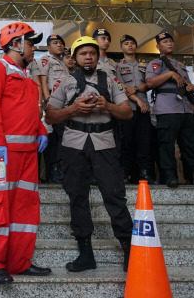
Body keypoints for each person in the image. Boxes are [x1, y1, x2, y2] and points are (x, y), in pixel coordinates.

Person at [46, 36, 133, 273]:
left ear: (97, 57)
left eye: (92, 53)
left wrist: (108, 106)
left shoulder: (111, 80)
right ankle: (86, 254)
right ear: (74, 58)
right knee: (77, 197)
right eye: (83, 53)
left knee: (114, 195)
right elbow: (50, 116)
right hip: (73, 144)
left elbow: (127, 113)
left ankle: (129, 251)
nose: (88, 57)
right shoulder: (64, 82)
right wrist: (73, 109)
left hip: (104, 143)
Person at [0, 22, 50, 284]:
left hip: (27, 153)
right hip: (1, 153)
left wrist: (41, 129)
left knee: (25, 209)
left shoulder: (26, 77)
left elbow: (30, 110)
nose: (34, 48)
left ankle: (20, 262)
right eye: (31, 43)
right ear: (15, 44)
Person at [145, 32, 194, 188]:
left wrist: (190, 87)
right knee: (167, 144)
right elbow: (150, 82)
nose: (169, 44)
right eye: (165, 42)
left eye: (171, 41)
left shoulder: (181, 65)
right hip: (167, 108)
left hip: (185, 109)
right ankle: (169, 176)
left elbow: (186, 86)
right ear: (158, 46)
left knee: (192, 144)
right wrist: (170, 74)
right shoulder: (156, 63)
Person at [114, 34, 154, 184]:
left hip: (144, 109)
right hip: (127, 109)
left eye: (132, 43)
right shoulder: (117, 66)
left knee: (144, 142)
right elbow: (119, 85)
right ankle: (125, 173)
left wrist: (136, 88)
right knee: (126, 143)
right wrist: (137, 99)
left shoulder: (145, 65)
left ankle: (144, 173)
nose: (130, 45)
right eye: (126, 43)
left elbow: (149, 84)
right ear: (121, 47)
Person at [38, 34, 69, 184]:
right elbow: (42, 80)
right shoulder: (46, 60)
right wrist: (47, 100)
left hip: (64, 104)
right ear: (48, 47)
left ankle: (58, 170)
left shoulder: (63, 64)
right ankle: (53, 171)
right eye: (55, 43)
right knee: (53, 139)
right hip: (53, 102)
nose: (59, 45)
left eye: (61, 43)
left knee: (62, 137)